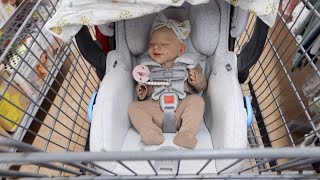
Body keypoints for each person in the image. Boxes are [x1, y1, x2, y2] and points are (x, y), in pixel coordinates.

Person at [128, 13, 207, 149]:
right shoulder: (147, 67)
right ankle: (149, 131)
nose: (156, 48)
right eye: (152, 44)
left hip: (181, 108)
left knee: (197, 101)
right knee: (134, 107)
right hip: (155, 109)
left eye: (164, 44)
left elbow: (202, 86)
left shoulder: (189, 64)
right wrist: (142, 89)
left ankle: (186, 133)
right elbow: (144, 89)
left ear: (181, 49)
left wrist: (196, 79)